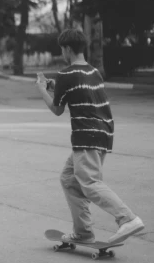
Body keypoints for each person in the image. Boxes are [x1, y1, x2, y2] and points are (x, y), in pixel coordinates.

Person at [35, 29, 145, 245]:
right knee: (69, 178)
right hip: (102, 133)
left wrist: (42, 90)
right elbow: (80, 92)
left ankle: (127, 218)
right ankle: (83, 232)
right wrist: (53, 87)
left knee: (90, 182)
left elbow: (57, 109)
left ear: (67, 49)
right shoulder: (93, 71)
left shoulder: (66, 74)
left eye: (62, 50)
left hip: (86, 136)